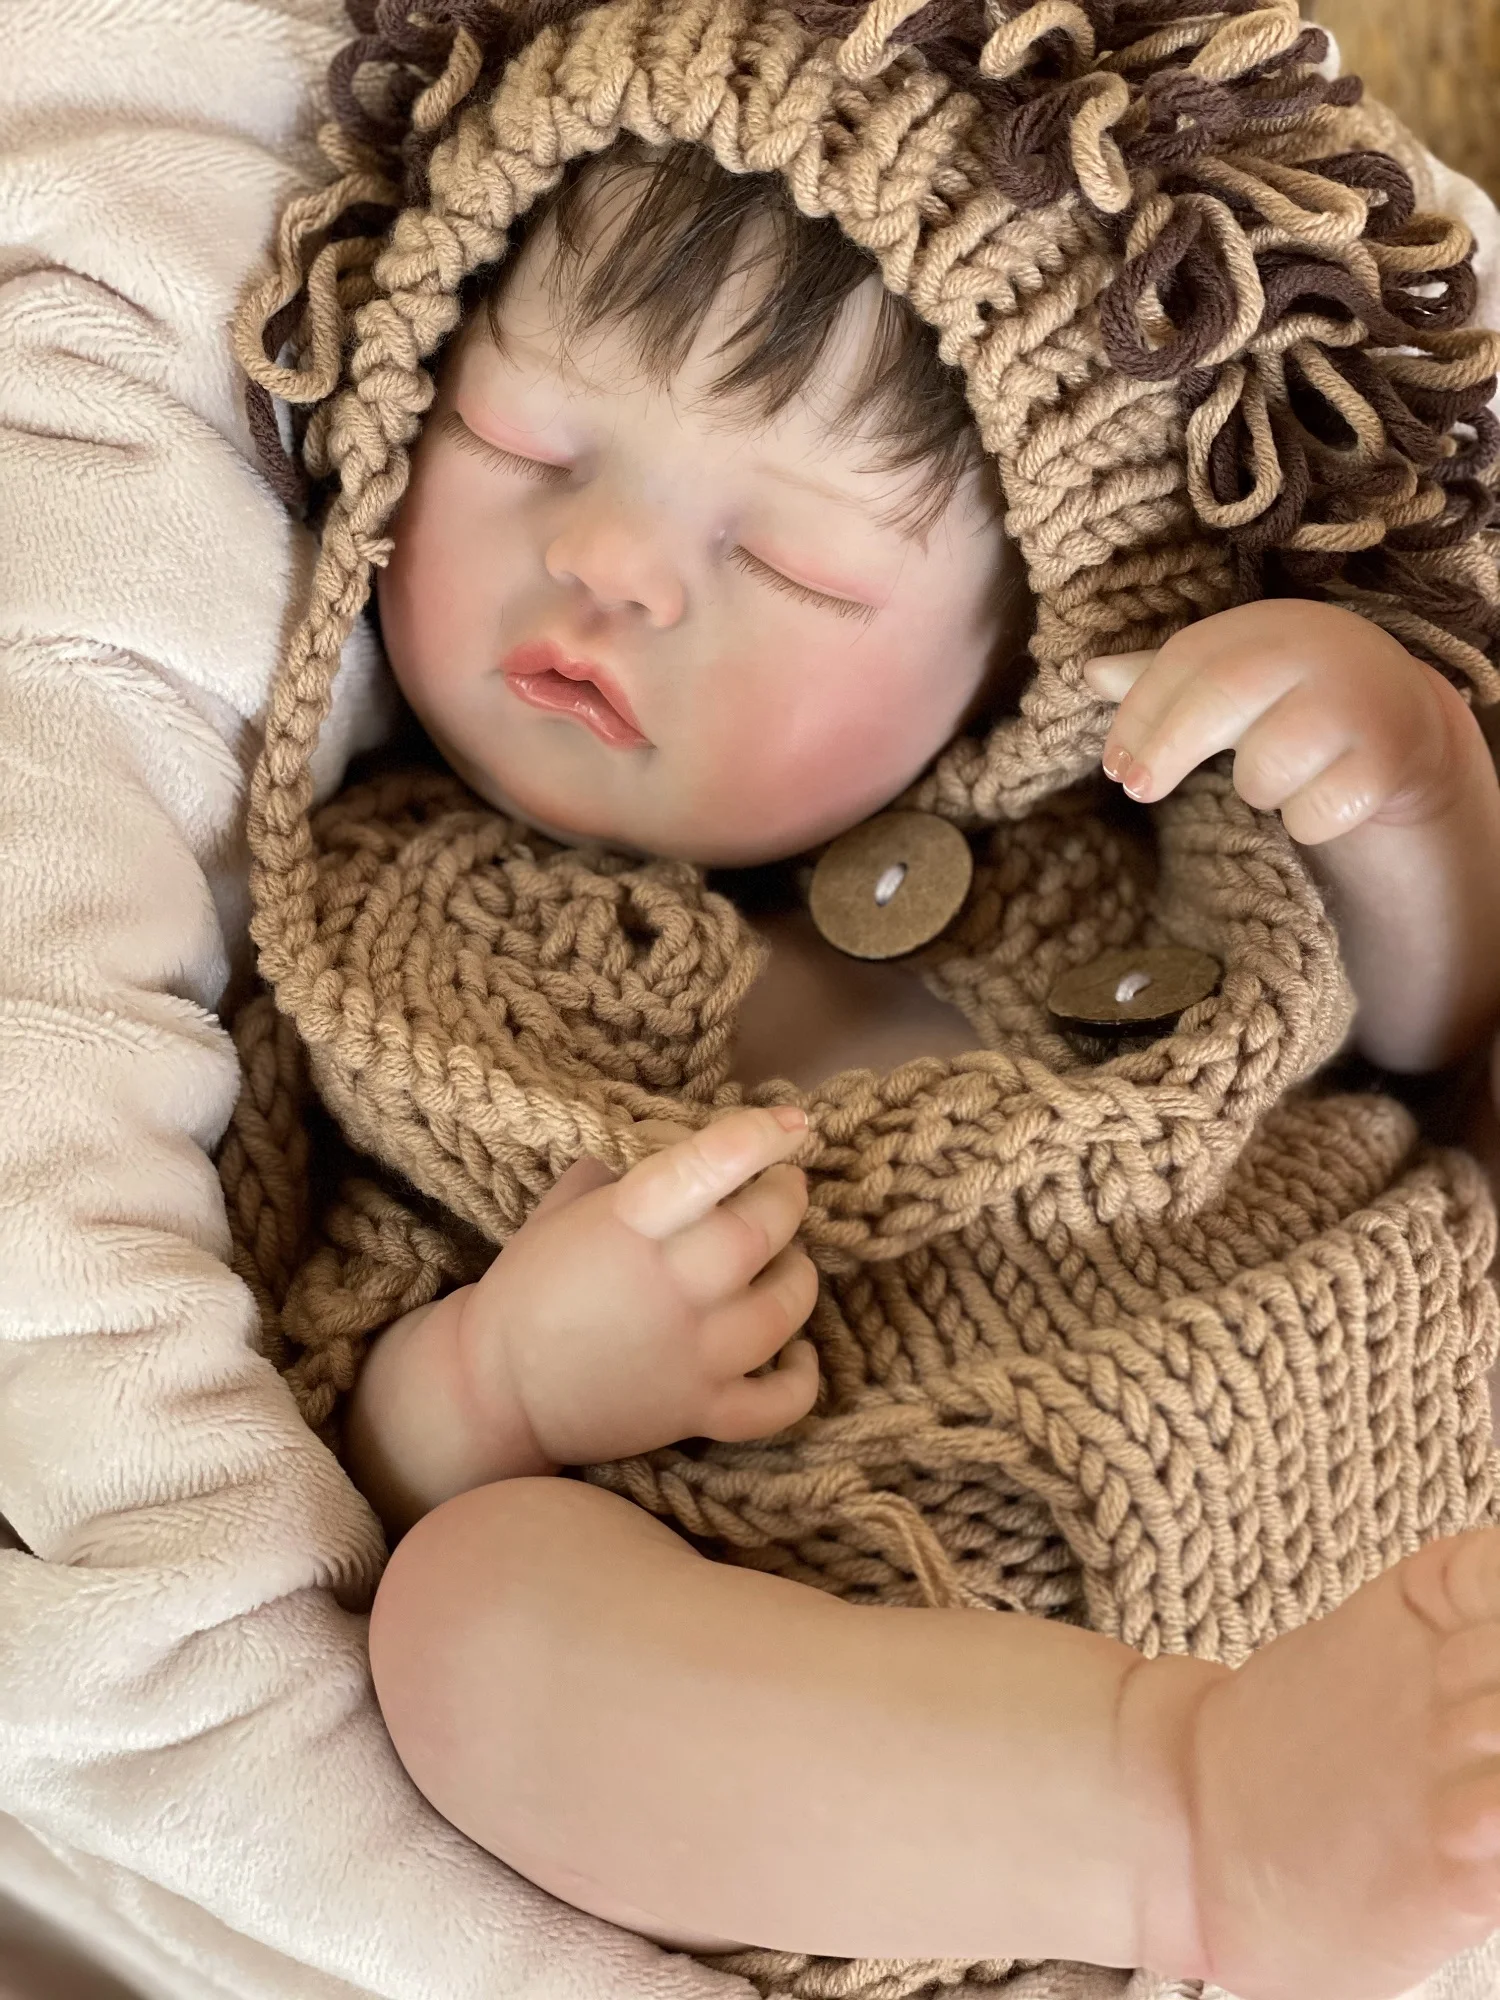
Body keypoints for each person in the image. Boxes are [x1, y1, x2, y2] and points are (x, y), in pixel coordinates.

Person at [263, 118, 1500, 1994]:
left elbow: (1435, 1035)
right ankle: (1186, 1823)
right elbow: (334, 1432)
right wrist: (504, 1378)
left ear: (1021, 640)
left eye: (794, 560)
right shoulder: (384, 930)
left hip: (1400, 1412)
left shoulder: (1140, 819)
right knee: (470, 1622)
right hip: (915, 1684)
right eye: (525, 445)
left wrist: (1411, 784)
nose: (604, 561)